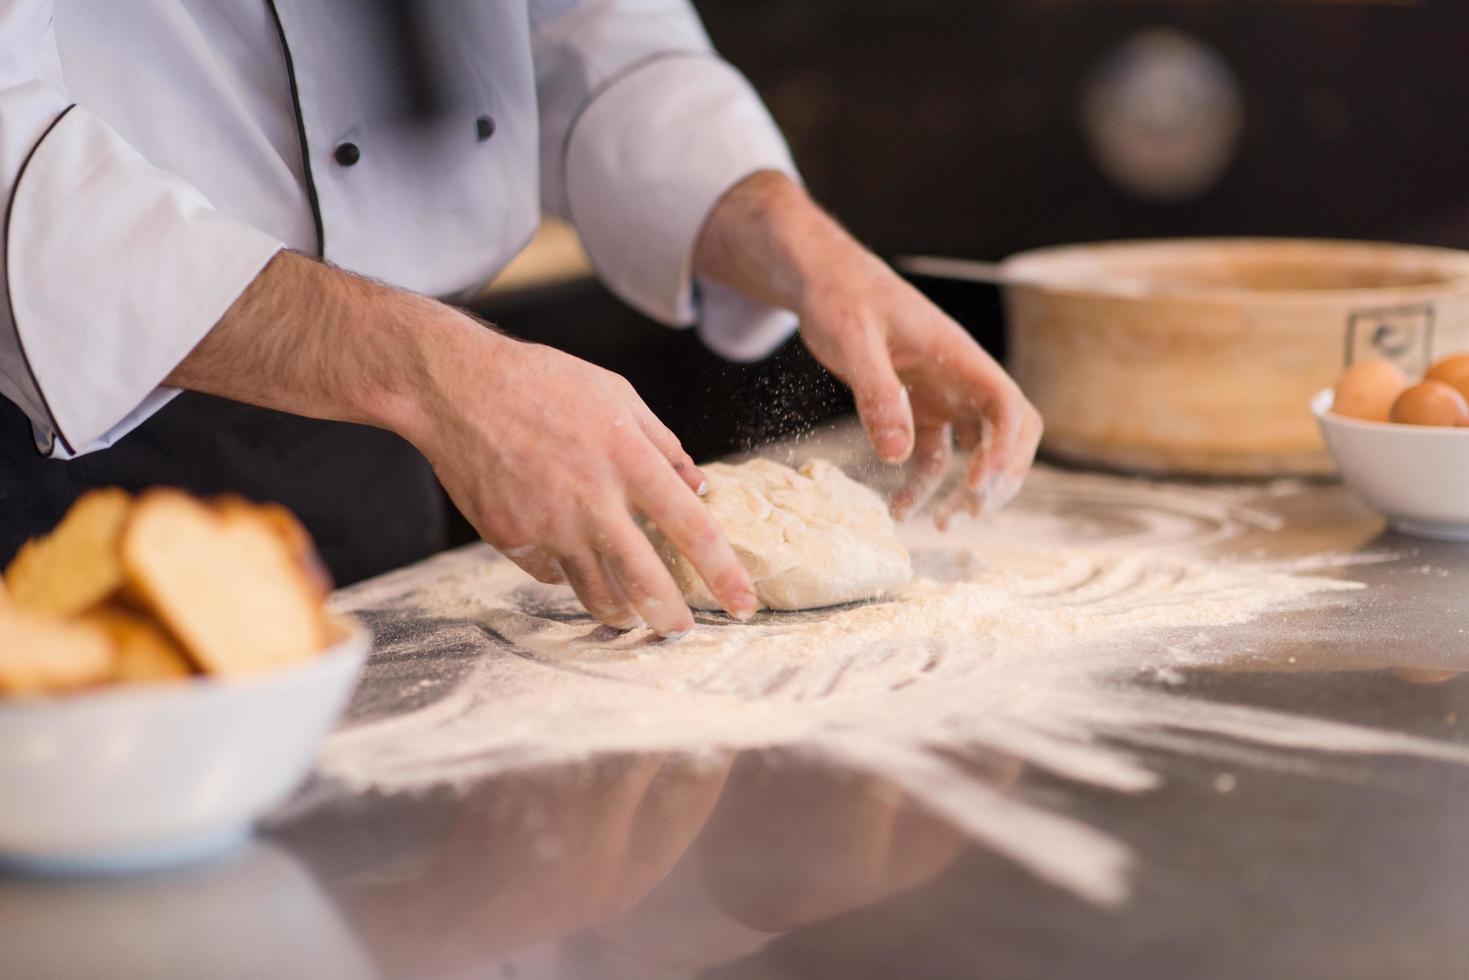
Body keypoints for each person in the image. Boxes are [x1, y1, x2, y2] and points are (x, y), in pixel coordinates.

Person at [0, 1, 1040, 637]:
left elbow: (579, 33)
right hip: (55, 469)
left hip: (383, 449)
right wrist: (428, 370)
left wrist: (787, 234)